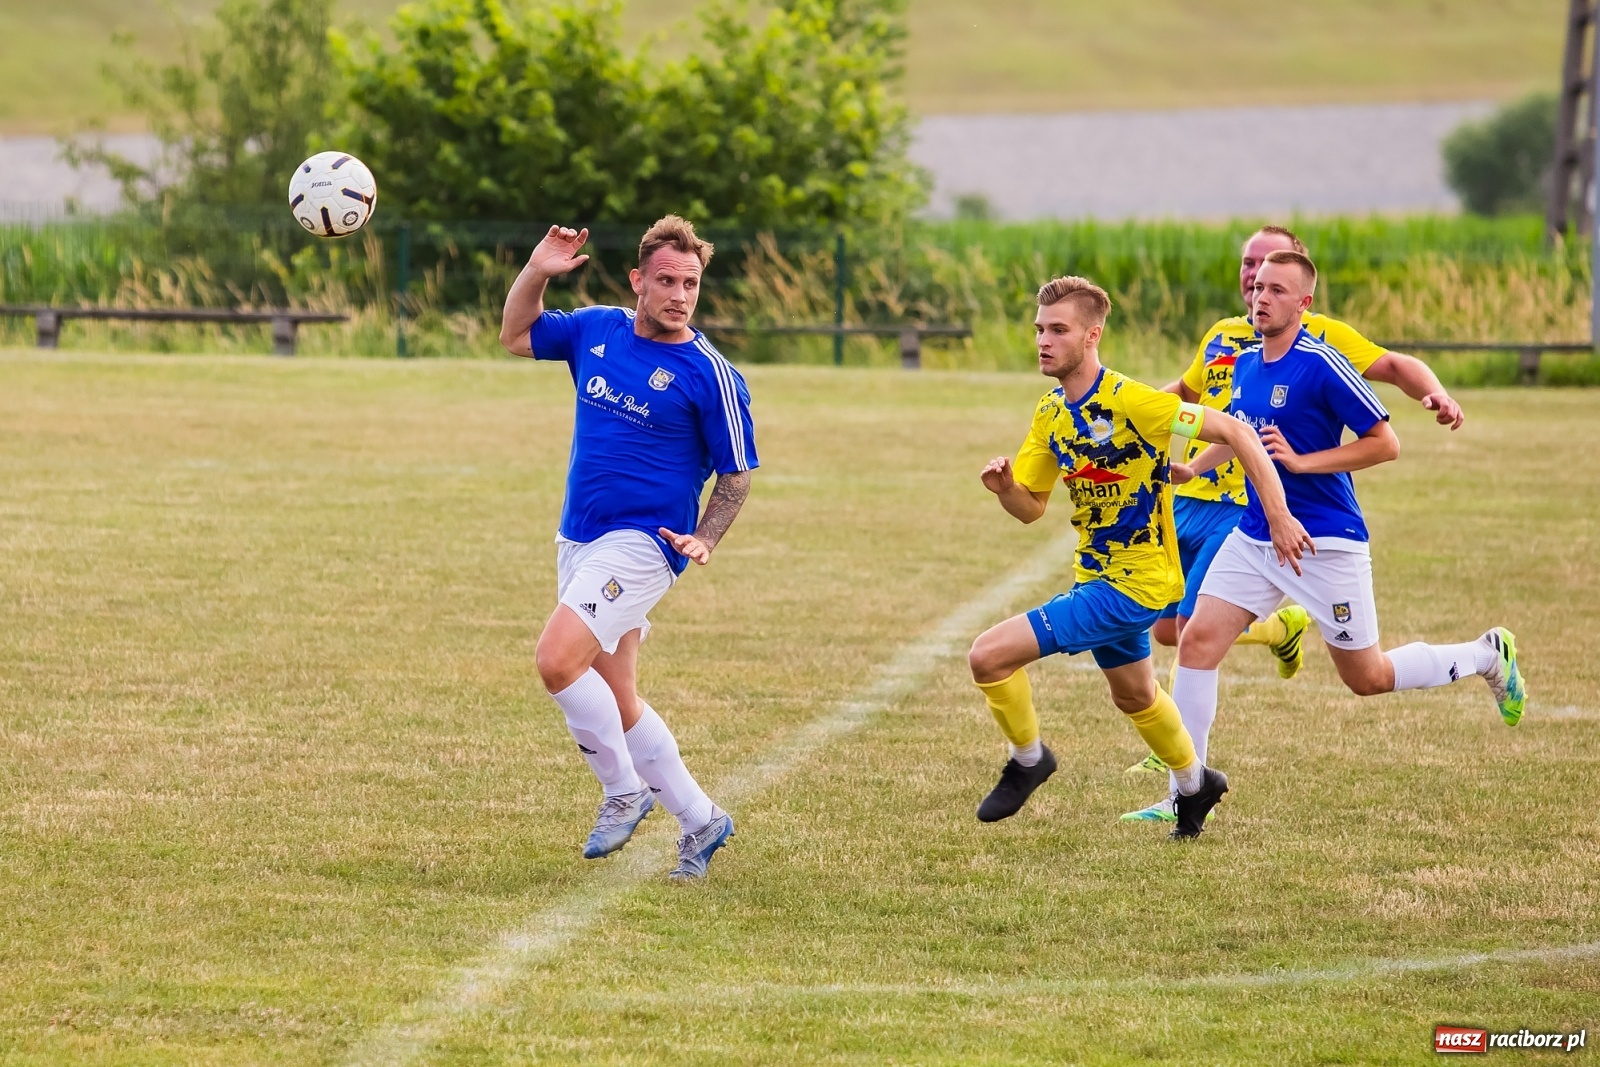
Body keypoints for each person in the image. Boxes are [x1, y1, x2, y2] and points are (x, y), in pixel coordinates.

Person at [1122, 225, 1470, 816]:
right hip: (1256, 531)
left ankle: (1487, 655)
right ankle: (1185, 790)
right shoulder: (1245, 361)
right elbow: (1238, 432)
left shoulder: (1323, 363)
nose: (1260, 297)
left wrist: (1305, 461)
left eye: (1276, 289)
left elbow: (1385, 444)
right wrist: (1192, 469)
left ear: (1303, 302)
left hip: (1324, 540)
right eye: (1257, 286)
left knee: (1367, 676)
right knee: (1196, 641)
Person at [966, 275, 1313, 839]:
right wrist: (1004, 488)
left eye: (1059, 330)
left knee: (988, 657)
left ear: (1092, 335)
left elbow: (1237, 432)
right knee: (1135, 695)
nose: (1043, 341)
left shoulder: (1135, 401)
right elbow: (1031, 508)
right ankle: (1195, 783)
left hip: (1135, 585)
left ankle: (1029, 760)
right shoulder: (1051, 412)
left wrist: (1277, 515)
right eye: (1039, 330)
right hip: (1096, 574)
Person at [498, 215, 758, 880]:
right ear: (637, 280)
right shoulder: (597, 330)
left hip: (647, 543)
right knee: (618, 698)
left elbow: (736, 474)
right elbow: (515, 335)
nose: (680, 293)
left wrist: (704, 536)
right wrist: (536, 270)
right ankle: (701, 820)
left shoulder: (710, 374)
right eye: (666, 280)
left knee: (556, 661)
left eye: (691, 282)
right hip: (580, 535)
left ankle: (622, 789)